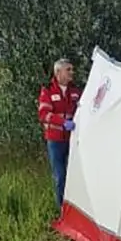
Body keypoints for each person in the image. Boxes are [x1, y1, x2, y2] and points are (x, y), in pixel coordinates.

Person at [37, 58, 83, 211]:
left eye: (72, 69)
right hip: (55, 140)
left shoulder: (75, 91)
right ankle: (61, 209)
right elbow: (44, 114)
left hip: (72, 139)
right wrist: (62, 122)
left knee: (75, 175)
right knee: (60, 176)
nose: (72, 73)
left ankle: (76, 209)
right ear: (58, 72)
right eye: (68, 70)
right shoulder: (48, 90)